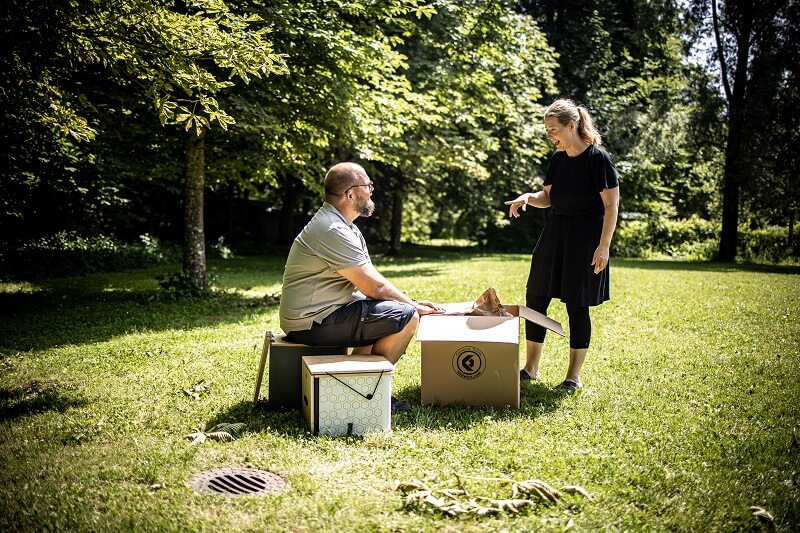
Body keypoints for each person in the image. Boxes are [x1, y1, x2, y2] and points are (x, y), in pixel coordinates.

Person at [279, 161, 444, 411]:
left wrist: (400, 302)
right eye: (368, 185)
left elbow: (367, 286)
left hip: (321, 313)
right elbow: (373, 287)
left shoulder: (344, 226)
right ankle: (370, 394)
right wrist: (414, 307)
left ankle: (355, 387)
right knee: (407, 318)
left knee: (383, 313)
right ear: (351, 194)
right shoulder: (332, 229)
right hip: (310, 322)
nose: (371, 190)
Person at [505, 99, 620, 392]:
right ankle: (531, 369)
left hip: (587, 237)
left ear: (572, 126)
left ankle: (573, 377)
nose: (549, 136)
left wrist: (603, 246)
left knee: (577, 304)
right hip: (556, 232)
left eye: (553, 129)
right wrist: (528, 197)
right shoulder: (557, 159)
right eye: (547, 130)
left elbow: (611, 206)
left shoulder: (599, 160)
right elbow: (548, 199)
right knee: (536, 296)